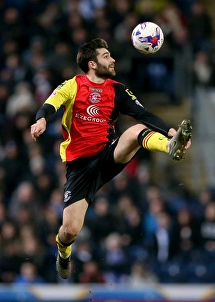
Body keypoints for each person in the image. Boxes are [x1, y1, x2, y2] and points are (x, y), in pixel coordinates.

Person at [30, 38, 192, 279]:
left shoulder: (117, 89)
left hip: (107, 155)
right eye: (106, 56)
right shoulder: (73, 85)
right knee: (69, 231)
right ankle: (63, 252)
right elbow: (51, 103)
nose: (113, 59)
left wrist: (170, 131)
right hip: (80, 167)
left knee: (135, 131)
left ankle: (169, 146)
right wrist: (42, 118)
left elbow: (143, 114)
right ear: (92, 64)